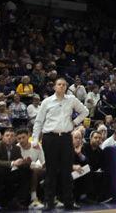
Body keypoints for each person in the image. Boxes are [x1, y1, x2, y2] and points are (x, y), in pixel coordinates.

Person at [32, 78, 89, 211]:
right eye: (59, 84)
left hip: (65, 138)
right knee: (50, 171)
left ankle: (68, 201)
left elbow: (85, 111)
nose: (62, 86)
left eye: (64, 85)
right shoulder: (46, 102)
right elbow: (39, 121)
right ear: (55, 87)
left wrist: (74, 122)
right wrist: (35, 139)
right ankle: (48, 202)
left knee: (66, 170)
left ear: (66, 87)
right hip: (49, 138)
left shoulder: (71, 100)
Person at [0, 127, 29, 209]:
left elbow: (19, 160)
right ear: (3, 137)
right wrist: (12, 163)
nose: (9, 138)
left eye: (12, 136)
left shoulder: (17, 148)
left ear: (15, 138)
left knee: (26, 171)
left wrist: (24, 162)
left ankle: (19, 200)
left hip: (11, 171)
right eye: (7, 135)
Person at [16, 128, 45, 209]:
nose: (21, 140)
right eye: (19, 138)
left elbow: (44, 162)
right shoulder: (17, 148)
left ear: (28, 136)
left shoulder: (36, 145)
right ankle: (34, 199)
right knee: (33, 170)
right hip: (22, 171)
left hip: (36, 168)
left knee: (52, 170)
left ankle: (53, 198)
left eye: (23, 137)